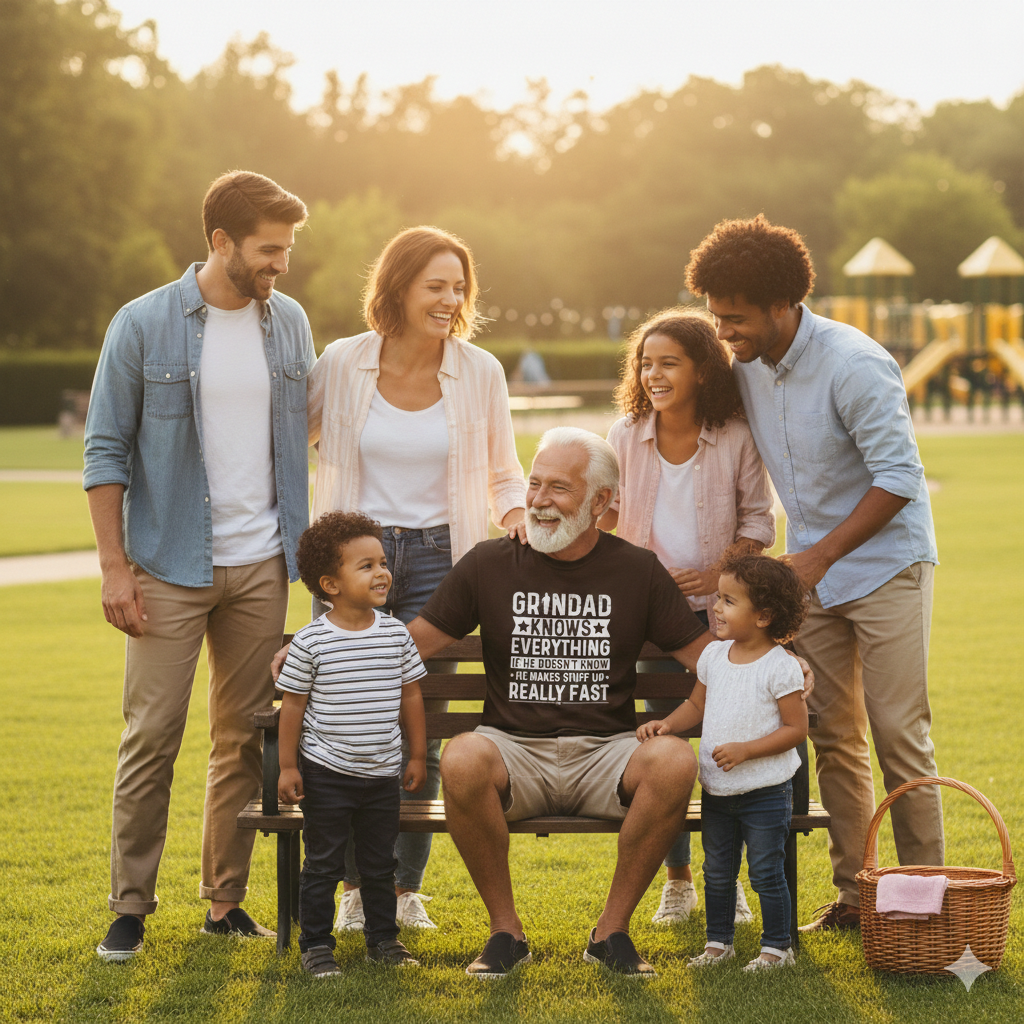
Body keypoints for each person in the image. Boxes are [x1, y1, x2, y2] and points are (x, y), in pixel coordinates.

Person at [685, 214, 942, 933]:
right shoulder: (745, 366)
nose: (724, 333)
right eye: (715, 318)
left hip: (887, 565)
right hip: (811, 577)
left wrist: (819, 557)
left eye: (733, 319)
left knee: (898, 735)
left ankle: (925, 903)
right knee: (832, 735)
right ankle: (860, 900)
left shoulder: (855, 363)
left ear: (780, 305)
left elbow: (899, 478)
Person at [84, 171, 315, 961]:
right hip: (167, 565)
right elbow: (104, 449)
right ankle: (129, 907)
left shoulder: (289, 326)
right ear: (221, 242)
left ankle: (224, 903)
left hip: (261, 565)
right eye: (268, 250)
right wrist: (115, 568)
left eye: (287, 250)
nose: (280, 264)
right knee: (152, 735)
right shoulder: (143, 324)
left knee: (242, 741)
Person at [305, 225, 527, 932]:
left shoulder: (478, 371)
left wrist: (518, 515)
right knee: (340, 718)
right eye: (436, 286)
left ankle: (400, 892)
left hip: (441, 558)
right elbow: (293, 435)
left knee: (416, 727)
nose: (450, 299)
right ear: (397, 287)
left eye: (458, 287)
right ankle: (348, 894)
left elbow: (502, 471)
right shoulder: (342, 363)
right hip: (352, 560)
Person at [602, 307, 775, 926]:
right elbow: (605, 514)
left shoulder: (734, 435)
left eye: (668, 363)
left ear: (703, 370)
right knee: (663, 747)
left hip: (719, 621)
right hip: (646, 625)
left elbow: (759, 521)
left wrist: (720, 575)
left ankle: (739, 884)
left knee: (730, 746)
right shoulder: (625, 435)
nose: (653, 374)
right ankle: (678, 883)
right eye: (645, 363)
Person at [639, 554, 809, 971]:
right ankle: (719, 944)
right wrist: (666, 725)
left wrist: (747, 750)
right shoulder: (714, 657)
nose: (715, 608)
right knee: (717, 873)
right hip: (717, 789)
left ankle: (776, 949)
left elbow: (795, 730)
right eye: (718, 598)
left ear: (764, 616)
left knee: (766, 873)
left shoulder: (780, 666)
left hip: (766, 791)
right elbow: (696, 704)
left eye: (729, 601)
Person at [277, 512, 428, 976]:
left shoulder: (396, 634)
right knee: (323, 864)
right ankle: (316, 946)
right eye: (366, 566)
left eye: (382, 562)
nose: (381, 572)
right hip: (327, 774)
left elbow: (411, 695)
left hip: (382, 774)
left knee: (381, 863)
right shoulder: (312, 642)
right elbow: (293, 708)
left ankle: (383, 940)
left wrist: (418, 754)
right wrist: (287, 767)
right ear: (331, 584)